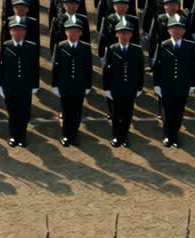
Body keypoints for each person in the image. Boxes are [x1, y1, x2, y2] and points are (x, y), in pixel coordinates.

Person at [152, 14, 195, 147]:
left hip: (182, 85)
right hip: (167, 85)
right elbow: (157, 66)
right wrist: (157, 84)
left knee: (178, 112)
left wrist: (193, 84)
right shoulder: (163, 45)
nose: (177, 31)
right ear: (169, 30)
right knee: (167, 112)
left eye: (180, 28)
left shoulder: (190, 46)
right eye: (174, 28)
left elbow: (194, 67)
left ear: (184, 31)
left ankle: (175, 135)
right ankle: (167, 136)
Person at [0, 17, 39, 147]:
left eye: (20, 30)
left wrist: (35, 85)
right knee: (12, 113)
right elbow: (0, 67)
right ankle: (14, 136)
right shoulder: (6, 46)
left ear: (25, 32)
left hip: (25, 86)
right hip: (10, 86)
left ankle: (23, 137)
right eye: (15, 30)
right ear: (11, 32)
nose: (18, 33)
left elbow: (35, 68)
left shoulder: (31, 47)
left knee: (24, 113)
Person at [51, 15, 93, 146]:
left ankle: (74, 135)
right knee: (66, 112)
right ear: (66, 32)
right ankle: (65, 135)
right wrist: (55, 85)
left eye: (76, 31)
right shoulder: (61, 46)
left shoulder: (85, 48)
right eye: (70, 31)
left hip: (79, 86)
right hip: (65, 86)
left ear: (80, 33)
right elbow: (56, 67)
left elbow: (88, 68)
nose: (73, 33)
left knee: (77, 113)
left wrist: (87, 85)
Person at [102, 19, 144, 147]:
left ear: (131, 35)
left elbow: (140, 70)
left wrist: (139, 87)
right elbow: (106, 71)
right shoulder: (111, 49)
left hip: (130, 88)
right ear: (116, 34)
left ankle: (125, 136)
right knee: (115, 115)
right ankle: (116, 136)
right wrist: (107, 88)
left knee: (127, 115)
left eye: (127, 33)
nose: (124, 36)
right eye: (121, 33)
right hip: (116, 88)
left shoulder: (137, 50)